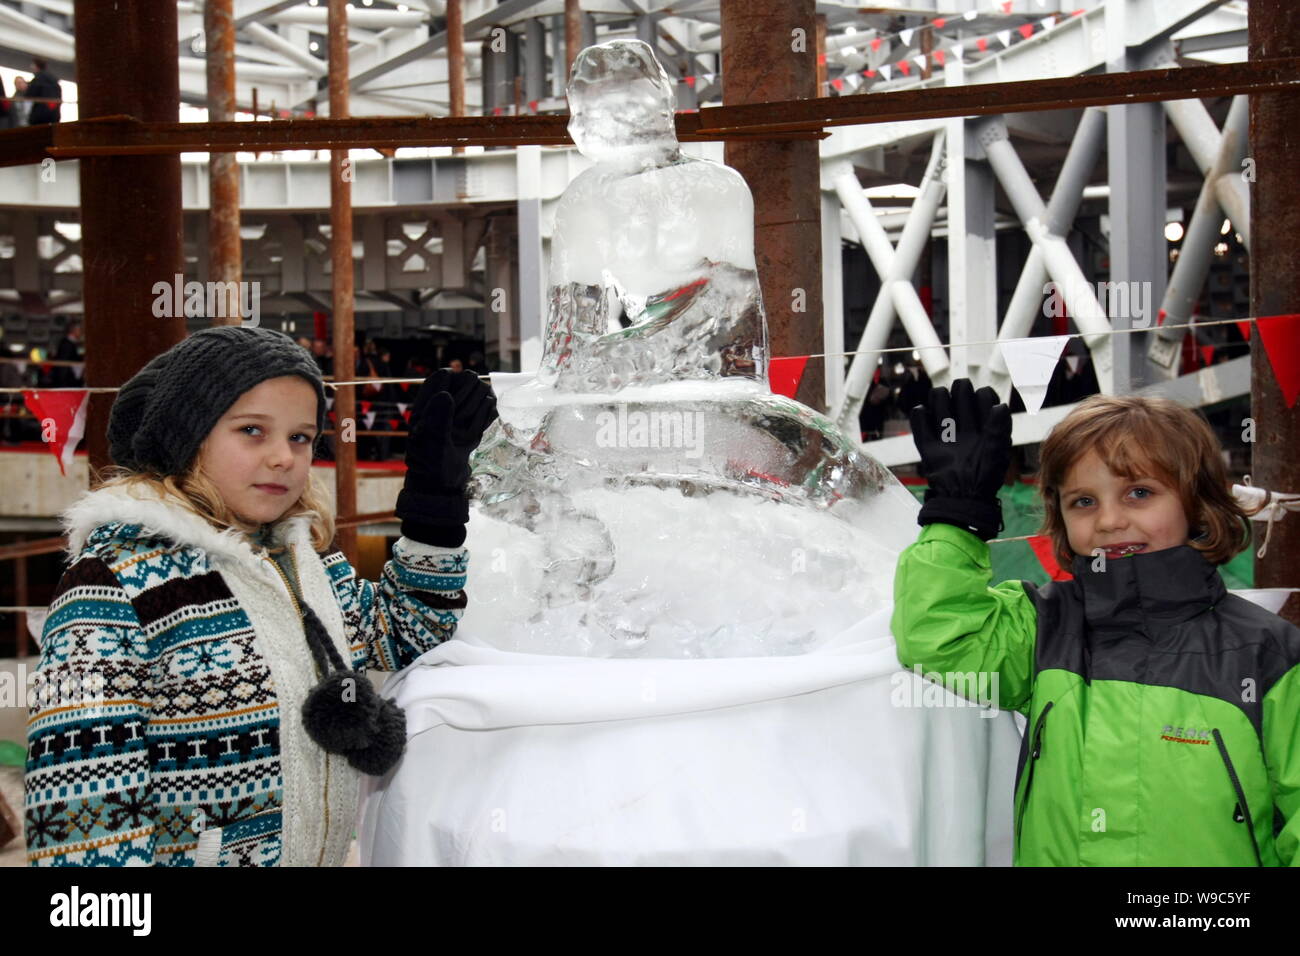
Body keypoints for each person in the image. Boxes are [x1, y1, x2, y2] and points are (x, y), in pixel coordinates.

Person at [25, 326, 496, 866]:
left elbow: (409, 633)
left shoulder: (308, 564)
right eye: (253, 430)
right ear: (187, 436)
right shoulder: (113, 586)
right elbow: (83, 823)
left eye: (300, 437)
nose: (283, 457)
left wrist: (434, 505)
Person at [893, 379, 1300, 866]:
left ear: (1196, 504)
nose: (1108, 520)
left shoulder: (1268, 652)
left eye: (1139, 493)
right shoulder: (1044, 625)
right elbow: (938, 636)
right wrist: (959, 514)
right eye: (1083, 501)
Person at [25, 58, 61, 125]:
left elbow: (29, 95)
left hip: (39, 114)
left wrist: (27, 88)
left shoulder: (38, 79)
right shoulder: (54, 81)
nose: (31, 67)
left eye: (32, 65)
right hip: (54, 113)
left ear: (36, 66)